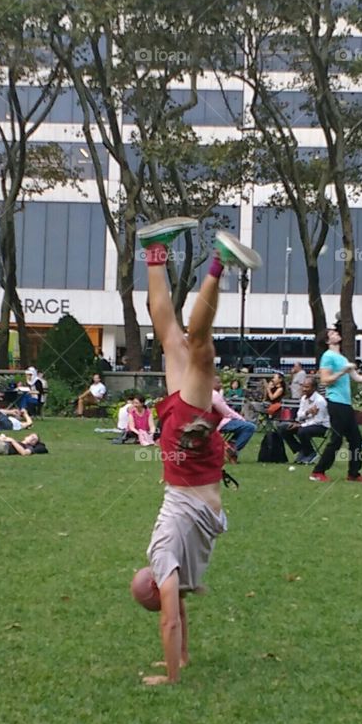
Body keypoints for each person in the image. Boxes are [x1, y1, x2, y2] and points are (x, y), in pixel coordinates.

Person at [132, 216, 261, 686]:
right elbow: (176, 611)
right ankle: (154, 253)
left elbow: (169, 618)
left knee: (198, 346)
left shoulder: (165, 553)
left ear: (156, 584)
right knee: (170, 336)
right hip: (181, 444)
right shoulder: (169, 563)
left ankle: (218, 263)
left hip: (188, 436)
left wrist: (168, 677)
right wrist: (180, 658)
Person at [310, 327, 362, 483]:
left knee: (356, 439)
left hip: (346, 404)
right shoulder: (327, 357)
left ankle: (354, 474)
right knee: (336, 440)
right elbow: (325, 380)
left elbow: (357, 378)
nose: (336, 333)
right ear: (328, 341)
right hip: (335, 402)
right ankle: (318, 471)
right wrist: (342, 371)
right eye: (332, 334)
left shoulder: (341, 357)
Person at [279, 375, 329, 464]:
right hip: (306, 423)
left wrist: (300, 424)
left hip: (321, 426)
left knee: (302, 431)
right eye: (303, 386)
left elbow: (318, 420)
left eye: (307, 387)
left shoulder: (319, 401)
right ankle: (301, 450)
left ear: (313, 388)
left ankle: (311, 452)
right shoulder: (303, 398)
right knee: (283, 427)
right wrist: (307, 413)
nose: (304, 389)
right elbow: (299, 416)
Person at [212, 376, 257, 455]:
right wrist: (241, 418)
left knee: (243, 426)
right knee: (250, 427)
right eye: (218, 383)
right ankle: (231, 450)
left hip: (212, 421)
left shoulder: (206, 393)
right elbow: (226, 411)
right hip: (219, 422)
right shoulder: (214, 394)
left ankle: (229, 446)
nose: (221, 385)